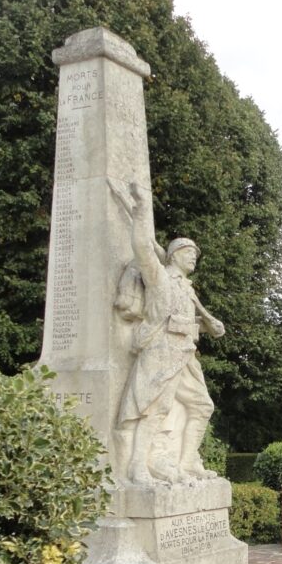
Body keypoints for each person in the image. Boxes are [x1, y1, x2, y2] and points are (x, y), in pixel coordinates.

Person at [110, 181, 224, 484]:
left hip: (185, 353)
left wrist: (208, 324)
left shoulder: (187, 288)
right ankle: (137, 466)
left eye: (195, 254)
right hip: (161, 350)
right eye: (188, 252)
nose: (194, 257)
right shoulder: (159, 278)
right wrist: (143, 209)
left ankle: (187, 463)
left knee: (202, 405)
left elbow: (190, 319)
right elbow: (143, 248)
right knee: (154, 408)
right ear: (173, 255)